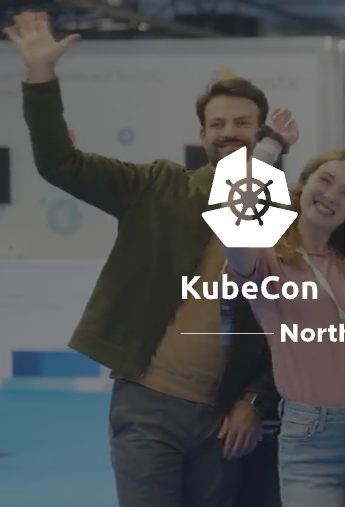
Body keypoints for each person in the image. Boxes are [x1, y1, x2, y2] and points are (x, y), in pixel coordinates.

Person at [5, 11, 290, 507]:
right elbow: (60, 164)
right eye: (216, 123)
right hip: (147, 402)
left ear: (260, 133)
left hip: (226, 418)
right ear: (201, 135)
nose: (228, 132)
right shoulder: (157, 186)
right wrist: (40, 78)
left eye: (242, 123)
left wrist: (253, 401)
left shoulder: (284, 218)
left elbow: (286, 327)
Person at [223, 147, 345, 507]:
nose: (331, 195)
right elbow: (232, 215)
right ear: (304, 185)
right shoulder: (265, 258)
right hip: (314, 437)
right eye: (325, 181)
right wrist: (267, 151)